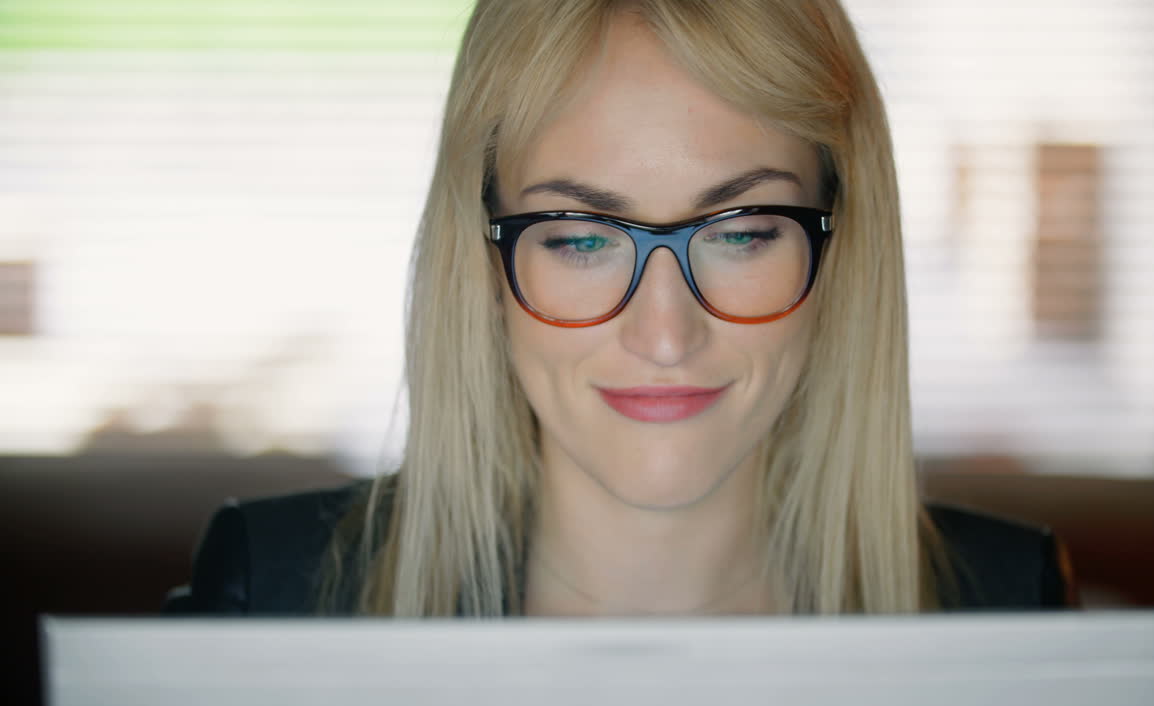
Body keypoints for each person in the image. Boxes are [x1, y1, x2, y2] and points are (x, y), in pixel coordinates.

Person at [166, 0, 1074, 617]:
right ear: (481, 258)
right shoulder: (270, 591)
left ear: (841, 251)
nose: (666, 334)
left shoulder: (1011, 603)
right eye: (580, 237)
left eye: (745, 231)